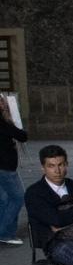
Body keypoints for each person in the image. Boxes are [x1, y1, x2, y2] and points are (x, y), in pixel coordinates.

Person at [0, 95, 28, 245]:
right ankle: (4, 232)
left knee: (4, 200)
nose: (3, 104)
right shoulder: (3, 122)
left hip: (4, 166)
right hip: (5, 167)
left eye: (2, 100)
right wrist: (13, 120)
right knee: (17, 198)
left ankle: (7, 233)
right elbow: (22, 136)